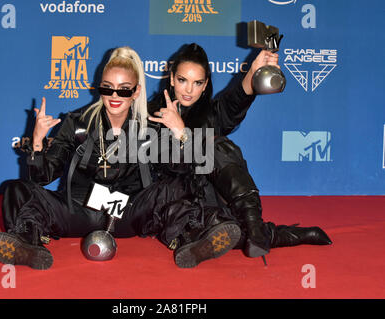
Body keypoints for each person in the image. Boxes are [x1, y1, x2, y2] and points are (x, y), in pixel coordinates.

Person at [136, 43, 332, 268]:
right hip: (172, 202)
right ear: (171, 79)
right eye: (182, 80)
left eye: (197, 82)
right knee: (216, 226)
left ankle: (254, 225)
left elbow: (237, 97)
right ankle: (274, 235)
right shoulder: (150, 116)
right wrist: (179, 134)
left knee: (217, 146)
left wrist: (253, 71)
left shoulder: (210, 114)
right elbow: (159, 171)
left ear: (205, 85)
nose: (189, 90)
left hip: (207, 196)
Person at [0, 46, 157, 270]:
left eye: (124, 90)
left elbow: (164, 183)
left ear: (136, 91)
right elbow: (42, 178)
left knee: (172, 188)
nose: (115, 96)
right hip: (79, 210)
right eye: (107, 88)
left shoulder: (149, 129)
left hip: (125, 215)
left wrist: (180, 136)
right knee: (15, 189)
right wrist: (37, 141)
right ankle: (27, 244)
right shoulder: (76, 122)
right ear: (99, 88)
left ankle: (190, 238)